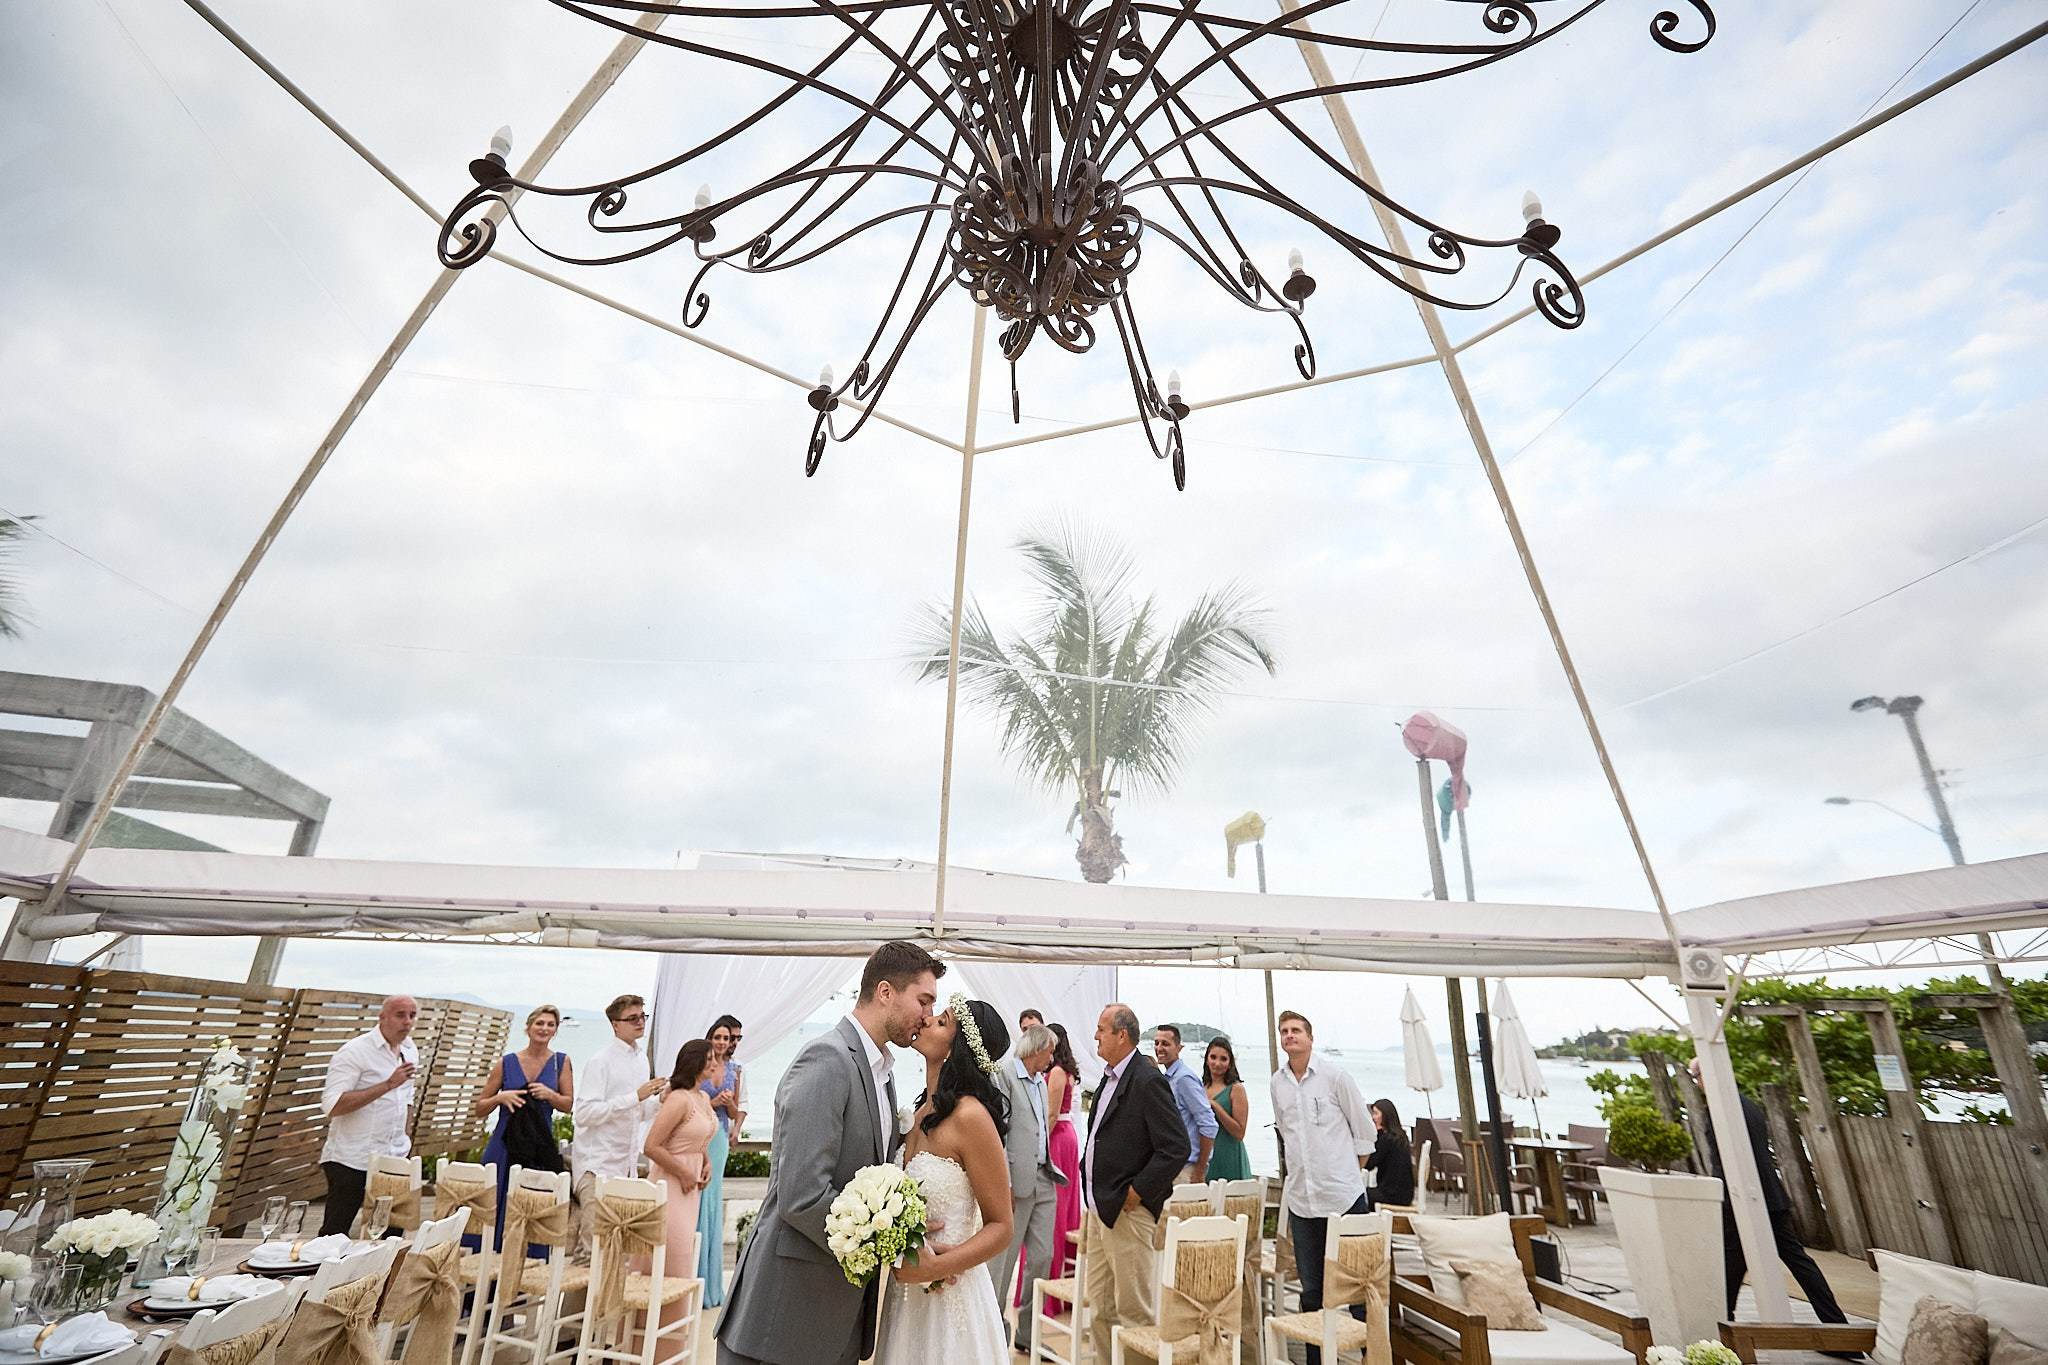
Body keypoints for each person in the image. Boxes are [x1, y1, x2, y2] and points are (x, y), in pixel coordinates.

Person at [716, 941, 944, 1365]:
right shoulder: (827, 1059)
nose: (928, 1015)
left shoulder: (884, 1074)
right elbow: (801, 1195)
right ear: (886, 992)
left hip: (836, 1321)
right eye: (924, 1000)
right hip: (785, 1317)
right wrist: (896, 1243)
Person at [872, 996, 1017, 1363]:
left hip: (952, 1297)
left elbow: (1002, 1226)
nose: (927, 1019)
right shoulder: (918, 1112)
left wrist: (938, 1267)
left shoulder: (971, 1117)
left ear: (957, 1051)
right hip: (905, 1300)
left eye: (941, 1021)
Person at [1687, 1058, 1852, 1329]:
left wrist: (1721, 1198)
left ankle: (1720, 1326)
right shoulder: (1749, 1104)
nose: (1697, 1083)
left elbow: (1721, 1161)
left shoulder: (1716, 1109)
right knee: (1794, 1262)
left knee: (1733, 1262)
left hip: (1739, 1197)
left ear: (1707, 1074)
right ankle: (1838, 1327)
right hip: (1769, 1194)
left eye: (1696, 1077)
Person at [1078, 1005, 1186, 1365]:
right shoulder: (1109, 1078)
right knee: (1100, 1310)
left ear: (1121, 1035)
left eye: (1101, 1029)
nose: (1095, 1036)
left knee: (1134, 1315)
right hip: (1100, 1209)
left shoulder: (1147, 1079)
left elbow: (1175, 1147)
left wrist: (1137, 1192)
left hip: (1128, 1212)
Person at [1270, 1010, 1374, 1365]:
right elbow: (1285, 1133)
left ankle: (1371, 1356)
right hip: (1302, 1202)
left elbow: (1365, 1133)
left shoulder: (1335, 1076)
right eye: (1284, 1031)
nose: (1289, 1036)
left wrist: (1346, 1174)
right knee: (1311, 1292)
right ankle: (1316, 1360)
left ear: (1310, 1038)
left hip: (1344, 1199)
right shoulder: (1277, 1083)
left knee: (1359, 1289)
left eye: (1296, 1030)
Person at [573, 995, 669, 1256]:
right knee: (590, 1254)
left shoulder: (641, 1060)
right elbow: (583, 1114)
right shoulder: (600, 1061)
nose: (640, 1022)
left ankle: (608, 1299)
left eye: (642, 1017)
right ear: (615, 1024)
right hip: (597, 1166)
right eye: (633, 1018)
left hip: (625, 1169)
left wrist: (660, 1101)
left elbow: (637, 1113)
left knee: (617, 1253)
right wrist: (635, 1096)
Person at [318, 994, 419, 1237]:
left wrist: (405, 1137)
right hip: (352, 1159)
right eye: (400, 1015)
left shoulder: (409, 1049)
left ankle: (380, 1276)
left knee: (389, 1237)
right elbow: (332, 1105)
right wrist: (387, 1084)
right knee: (334, 1236)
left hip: (394, 1157)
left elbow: (407, 1098)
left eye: (412, 1015)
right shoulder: (355, 1052)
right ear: (382, 1018)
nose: (407, 1021)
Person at [989, 1022, 1064, 1350]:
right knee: (1003, 1263)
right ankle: (995, 1331)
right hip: (1016, 1182)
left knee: (1042, 1257)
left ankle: (1028, 1335)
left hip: (1045, 1178)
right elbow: (998, 1133)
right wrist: (1003, 1181)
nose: (1052, 1057)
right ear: (1036, 1049)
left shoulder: (1040, 1080)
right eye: (1050, 1050)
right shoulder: (1005, 1075)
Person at [476, 1005, 574, 1242]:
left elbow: (568, 1104)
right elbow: (480, 1108)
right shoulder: (506, 1062)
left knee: (534, 1203)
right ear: (529, 1027)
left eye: (550, 1025)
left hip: (538, 1144)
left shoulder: (560, 1062)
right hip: (504, 1141)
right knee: (495, 1199)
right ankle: (488, 1261)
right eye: (539, 1023)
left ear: (556, 1030)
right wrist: (501, 1097)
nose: (544, 1028)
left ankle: (531, 1265)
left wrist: (550, 1095)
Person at [646, 1039, 720, 1334]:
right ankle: (654, 1345)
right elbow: (651, 1145)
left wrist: (705, 1161)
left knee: (682, 1259)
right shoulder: (677, 1099)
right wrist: (684, 1173)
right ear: (696, 1062)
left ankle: (674, 1342)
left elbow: (695, 1137)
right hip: (669, 1187)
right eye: (710, 1058)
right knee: (671, 1262)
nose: (715, 1063)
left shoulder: (701, 1097)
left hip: (691, 1189)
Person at [697, 1014, 747, 1306]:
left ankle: (711, 1285)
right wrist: (711, 1102)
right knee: (700, 1202)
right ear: (710, 1038)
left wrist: (728, 1103)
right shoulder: (700, 1065)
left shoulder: (735, 1070)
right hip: (698, 1135)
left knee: (713, 1202)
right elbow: (689, 1096)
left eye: (726, 1039)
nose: (722, 1042)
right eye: (717, 1037)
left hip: (718, 1139)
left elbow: (732, 1113)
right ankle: (694, 1273)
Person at [1044, 1022, 1084, 1298]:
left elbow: (1051, 1114)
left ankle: (1052, 1286)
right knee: (1065, 1204)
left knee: (1057, 1207)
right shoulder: (1065, 1070)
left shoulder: (1057, 1072)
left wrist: (1039, 1146)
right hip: (1067, 1136)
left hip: (1057, 1137)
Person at [1153, 1024, 1216, 1183]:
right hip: (1172, 1166)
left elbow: (1209, 1125)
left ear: (1179, 1048)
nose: (1159, 1048)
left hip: (1186, 1169)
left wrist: (1200, 1170)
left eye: (1165, 1044)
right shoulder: (1168, 1078)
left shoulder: (1184, 1079)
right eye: (1157, 1043)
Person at [1203, 1036, 1252, 1181]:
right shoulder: (1201, 1087)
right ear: (1206, 1059)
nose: (1217, 1063)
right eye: (1213, 1057)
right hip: (1207, 1156)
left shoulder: (1236, 1089)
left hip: (1229, 1154)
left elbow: (1239, 1132)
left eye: (1223, 1059)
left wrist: (1216, 1107)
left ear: (1230, 1062)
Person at [1365, 1098, 1416, 1208]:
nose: (1373, 1118)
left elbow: (1369, 1164)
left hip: (1391, 1195)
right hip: (1405, 1195)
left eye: (1375, 1113)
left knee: (1357, 1195)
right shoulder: (1401, 1137)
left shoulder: (1386, 1139)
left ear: (1385, 1115)